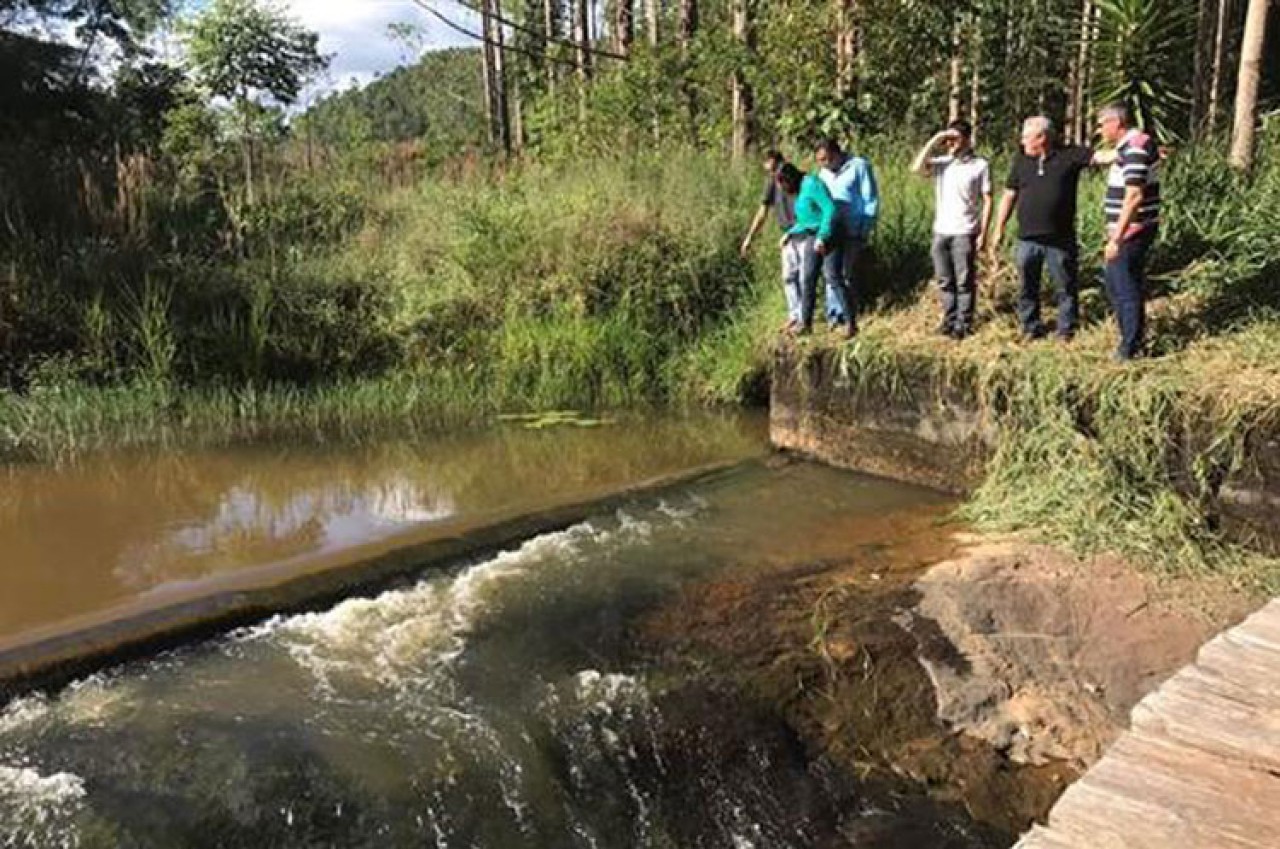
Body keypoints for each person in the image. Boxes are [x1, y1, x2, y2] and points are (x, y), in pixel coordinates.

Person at [989, 116, 1094, 342]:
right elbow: (1009, 195)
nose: (1022, 141)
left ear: (1042, 137)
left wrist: (1135, 148)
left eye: (1027, 137)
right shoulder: (1021, 161)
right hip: (1028, 239)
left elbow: (1102, 157)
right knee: (1027, 286)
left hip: (1060, 239)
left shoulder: (1068, 155)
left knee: (1065, 285)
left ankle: (1066, 329)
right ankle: (1030, 327)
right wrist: (998, 227)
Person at [911, 119, 993, 339]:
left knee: (964, 280)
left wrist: (984, 233)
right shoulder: (942, 163)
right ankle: (948, 319)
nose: (951, 144)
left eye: (955, 139)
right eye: (948, 140)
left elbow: (988, 200)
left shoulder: (980, 165)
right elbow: (916, 167)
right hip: (941, 230)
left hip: (965, 231)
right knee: (944, 279)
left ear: (967, 139)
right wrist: (936, 139)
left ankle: (964, 323)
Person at [1096, 103, 1161, 361]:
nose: (1099, 130)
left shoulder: (1135, 147)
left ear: (1116, 123)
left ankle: (1130, 347)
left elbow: (1134, 196)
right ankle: (1129, 339)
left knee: (1124, 287)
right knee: (1116, 283)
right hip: (1128, 229)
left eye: (1101, 124)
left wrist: (1117, 237)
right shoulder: (1130, 146)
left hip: (1132, 230)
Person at [815, 138, 879, 339]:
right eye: (820, 160)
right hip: (832, 231)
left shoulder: (859, 166)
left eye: (826, 159)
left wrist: (865, 228)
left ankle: (849, 316)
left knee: (848, 273)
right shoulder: (823, 174)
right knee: (831, 274)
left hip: (854, 229)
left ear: (836, 154)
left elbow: (870, 199)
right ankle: (834, 316)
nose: (824, 164)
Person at [740, 150, 802, 329]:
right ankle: (794, 315)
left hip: (804, 233)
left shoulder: (798, 178)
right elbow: (762, 212)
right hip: (787, 236)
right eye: (771, 171)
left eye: (776, 169)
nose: (775, 175)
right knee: (789, 277)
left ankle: (805, 317)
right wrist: (750, 237)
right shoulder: (771, 183)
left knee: (805, 277)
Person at [774, 162, 837, 336]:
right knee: (807, 279)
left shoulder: (811, 184)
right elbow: (806, 220)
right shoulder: (800, 191)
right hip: (810, 235)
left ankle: (844, 320)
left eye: (783, 185)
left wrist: (823, 236)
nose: (783, 189)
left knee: (832, 276)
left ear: (790, 179)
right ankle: (805, 324)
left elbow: (829, 209)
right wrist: (790, 233)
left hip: (826, 235)